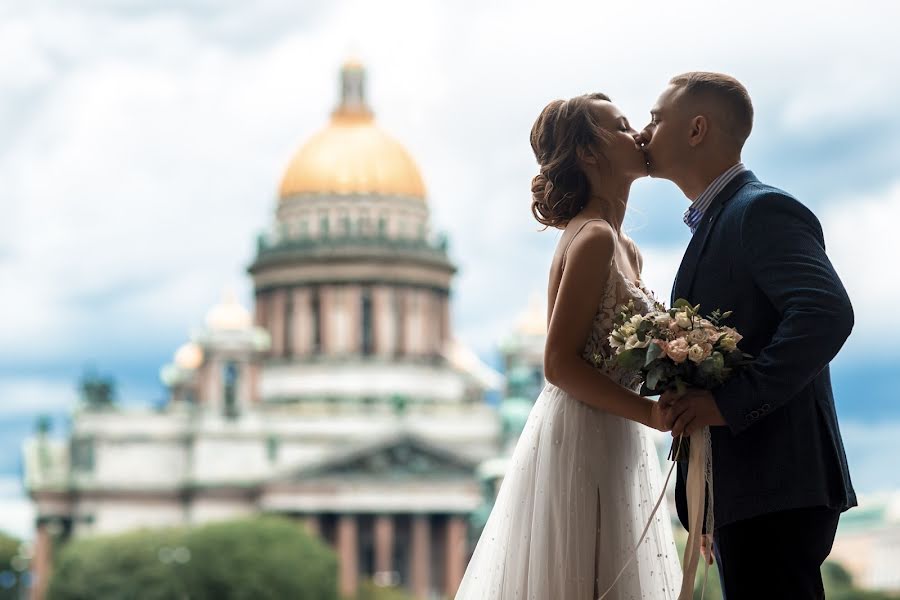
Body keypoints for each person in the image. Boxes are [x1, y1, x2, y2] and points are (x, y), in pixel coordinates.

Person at [455, 93, 682, 600]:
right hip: (585, 431)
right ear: (590, 153)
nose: (639, 134)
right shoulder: (595, 238)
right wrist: (651, 415)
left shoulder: (625, 247)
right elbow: (557, 364)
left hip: (614, 429)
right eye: (622, 127)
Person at [640, 72, 857, 600]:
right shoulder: (721, 218)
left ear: (696, 129)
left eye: (655, 118)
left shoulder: (759, 210)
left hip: (776, 488)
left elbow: (826, 312)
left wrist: (728, 403)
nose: (644, 133)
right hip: (750, 492)